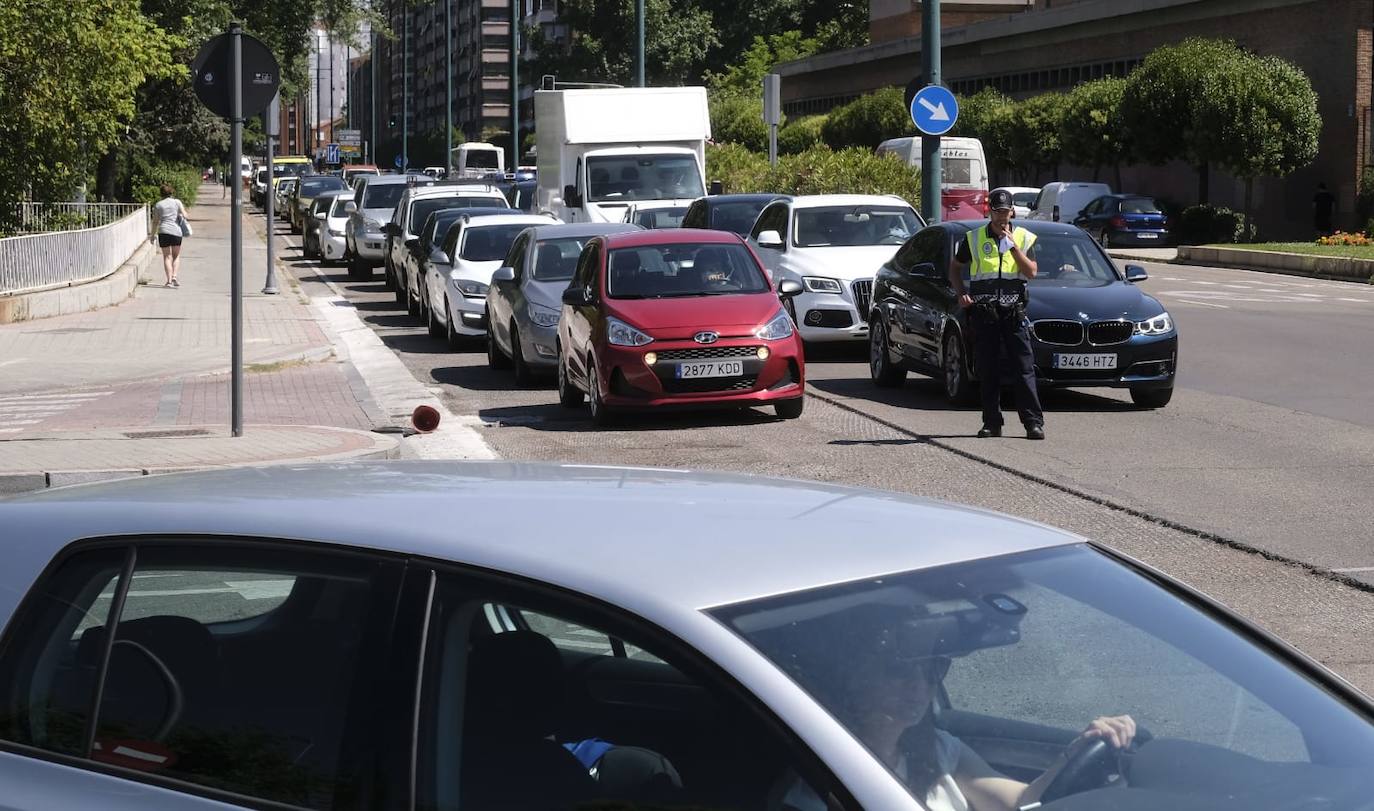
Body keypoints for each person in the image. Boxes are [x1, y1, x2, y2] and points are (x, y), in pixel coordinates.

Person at [786, 604, 1136, 811]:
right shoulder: (817, 788)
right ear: (852, 678)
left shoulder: (938, 749)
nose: (920, 686)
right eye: (898, 671)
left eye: (932, 669)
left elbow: (1020, 802)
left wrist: (1074, 754)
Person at [950, 188, 1044, 440]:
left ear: (1012, 211)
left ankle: (1033, 423)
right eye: (997, 211)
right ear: (989, 211)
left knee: (1023, 368)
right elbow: (955, 268)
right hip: (985, 313)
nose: (1002, 216)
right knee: (988, 369)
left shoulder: (1023, 237)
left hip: (1014, 313)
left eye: (1005, 211)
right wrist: (961, 293)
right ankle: (992, 422)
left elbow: (1032, 271)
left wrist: (1013, 248)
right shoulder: (974, 238)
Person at [150, 184, 188, 288]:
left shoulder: (158, 205)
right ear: (171, 192)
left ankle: (169, 281)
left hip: (163, 231)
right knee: (176, 256)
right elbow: (185, 215)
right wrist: (180, 214)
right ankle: (175, 276)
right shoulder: (177, 202)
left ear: (161, 193)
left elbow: (155, 222)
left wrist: (152, 235)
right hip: (176, 232)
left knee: (167, 257)